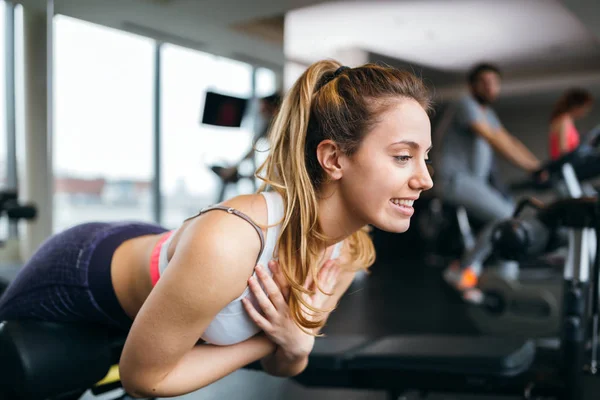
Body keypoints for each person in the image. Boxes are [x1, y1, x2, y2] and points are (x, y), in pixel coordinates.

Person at [0, 60, 434, 398]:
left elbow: (289, 363)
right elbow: (143, 378)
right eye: (402, 156)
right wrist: (275, 340)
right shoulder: (233, 242)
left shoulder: (346, 251)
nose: (425, 179)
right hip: (79, 274)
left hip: (163, 257)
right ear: (334, 159)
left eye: (425, 157)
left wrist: (296, 344)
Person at [435, 63, 543, 294]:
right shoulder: (466, 104)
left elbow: (509, 140)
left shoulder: (489, 114)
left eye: (494, 82)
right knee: (507, 217)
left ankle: (506, 282)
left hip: (473, 183)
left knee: (512, 217)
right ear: (472, 86)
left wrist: (540, 166)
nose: (490, 87)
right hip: (455, 180)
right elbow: (494, 140)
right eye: (484, 82)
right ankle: (464, 267)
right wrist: (531, 168)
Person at [217, 93, 282, 184]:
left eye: (263, 109)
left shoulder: (277, 121)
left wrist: (233, 168)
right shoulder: (268, 124)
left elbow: (252, 149)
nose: (260, 112)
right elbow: (253, 149)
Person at [548, 88, 594, 160]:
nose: (585, 113)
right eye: (584, 108)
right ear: (576, 107)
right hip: (563, 165)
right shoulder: (564, 120)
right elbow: (563, 150)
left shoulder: (566, 120)